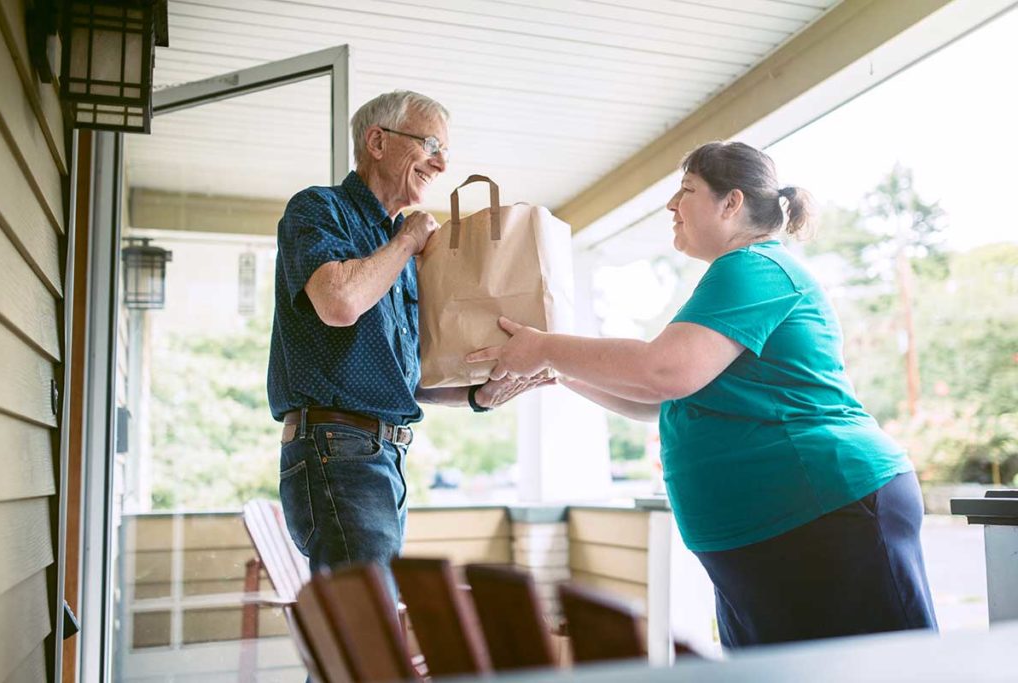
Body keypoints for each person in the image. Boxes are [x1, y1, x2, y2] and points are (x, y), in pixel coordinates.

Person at [467, 141, 938, 647]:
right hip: (769, 531)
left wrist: (547, 348)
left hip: (825, 509)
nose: (671, 205)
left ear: (731, 203)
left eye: (687, 191)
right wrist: (561, 374)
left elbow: (664, 371)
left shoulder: (754, 267)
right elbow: (661, 401)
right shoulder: (734, 277)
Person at [267, 90, 543, 593]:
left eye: (446, 152)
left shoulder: (400, 253)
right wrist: (407, 243)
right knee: (364, 642)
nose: (441, 163)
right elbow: (339, 302)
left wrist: (479, 395)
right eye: (431, 144)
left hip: (379, 455)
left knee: (360, 643)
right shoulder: (319, 209)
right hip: (337, 449)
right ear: (377, 141)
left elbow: (405, 381)